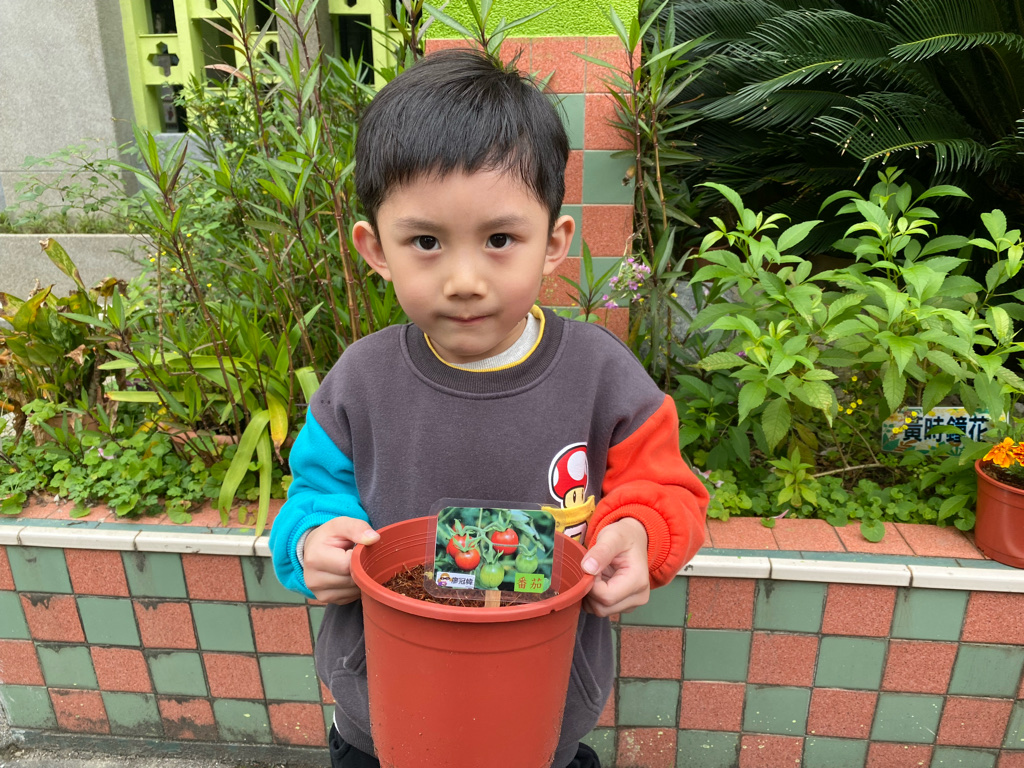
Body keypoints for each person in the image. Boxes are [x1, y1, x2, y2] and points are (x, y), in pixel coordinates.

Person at [269, 48, 710, 768]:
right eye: (426, 242)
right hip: (384, 716)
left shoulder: (602, 377)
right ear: (376, 249)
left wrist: (640, 533)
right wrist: (310, 543)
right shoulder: (359, 383)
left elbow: (667, 490)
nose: (465, 280)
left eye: (500, 240)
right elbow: (313, 497)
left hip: (540, 715)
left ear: (554, 243)